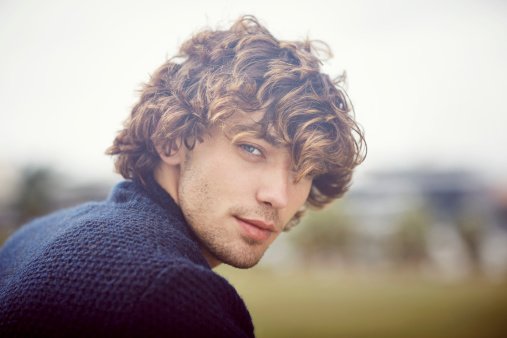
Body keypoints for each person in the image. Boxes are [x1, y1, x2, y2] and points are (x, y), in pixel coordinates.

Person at [0, 15, 365, 337]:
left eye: (305, 171)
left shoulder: (35, 234)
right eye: (252, 149)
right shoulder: (169, 295)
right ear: (172, 140)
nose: (279, 196)